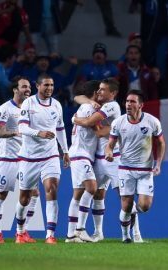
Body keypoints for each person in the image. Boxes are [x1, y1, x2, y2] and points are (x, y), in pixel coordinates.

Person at [73, 78, 144, 243]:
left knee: (124, 197)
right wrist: (91, 101)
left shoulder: (112, 106)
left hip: (115, 159)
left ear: (113, 93)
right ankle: (97, 232)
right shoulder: (98, 104)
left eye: (103, 90)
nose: (99, 92)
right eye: (98, 89)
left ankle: (136, 234)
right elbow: (78, 97)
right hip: (98, 158)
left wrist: (75, 120)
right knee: (97, 194)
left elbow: (93, 126)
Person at [15, 74, 70, 244]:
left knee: (51, 189)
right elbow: (22, 127)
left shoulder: (57, 105)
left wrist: (65, 150)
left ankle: (50, 235)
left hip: (50, 155)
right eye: (46, 85)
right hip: (29, 157)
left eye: (52, 85)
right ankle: (20, 232)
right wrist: (39, 133)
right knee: (24, 197)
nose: (50, 88)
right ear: (37, 86)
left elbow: (60, 128)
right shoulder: (28, 103)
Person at [106, 89, 166, 243]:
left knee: (144, 206)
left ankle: (133, 212)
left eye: (132, 102)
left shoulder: (152, 122)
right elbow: (110, 144)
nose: (128, 104)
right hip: (125, 169)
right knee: (125, 206)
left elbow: (161, 143)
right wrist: (109, 152)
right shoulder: (118, 122)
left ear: (141, 105)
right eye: (127, 101)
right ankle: (126, 236)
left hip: (146, 170)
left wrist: (158, 164)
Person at [0, 76, 39, 244]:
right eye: (24, 86)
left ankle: (23, 231)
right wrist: (15, 132)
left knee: (34, 194)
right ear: (15, 89)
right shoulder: (4, 109)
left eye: (29, 87)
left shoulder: (31, 109)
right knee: (1, 194)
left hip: (25, 159)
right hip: (7, 159)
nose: (28, 89)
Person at [65, 81, 100, 243]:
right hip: (81, 153)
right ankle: (80, 229)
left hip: (80, 153)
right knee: (92, 187)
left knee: (78, 194)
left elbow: (78, 98)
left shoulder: (87, 106)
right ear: (94, 93)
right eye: (99, 91)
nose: (101, 93)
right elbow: (91, 125)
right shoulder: (89, 108)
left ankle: (70, 235)